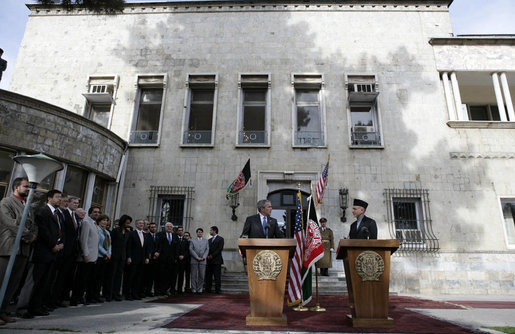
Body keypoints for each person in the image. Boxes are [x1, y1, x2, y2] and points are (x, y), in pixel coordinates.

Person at [0, 177, 37, 324]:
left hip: (23, 250)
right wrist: (28, 235)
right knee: (2, 280)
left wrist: (33, 236)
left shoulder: (29, 206)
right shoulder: (6, 203)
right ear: (16, 187)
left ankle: (3, 311)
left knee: (13, 283)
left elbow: (34, 225)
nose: (29, 189)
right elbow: (10, 223)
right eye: (26, 186)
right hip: (8, 248)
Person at [27, 189, 64, 317]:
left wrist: (60, 244)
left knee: (46, 282)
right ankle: (30, 308)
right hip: (43, 252)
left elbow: (60, 230)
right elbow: (43, 231)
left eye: (61, 197)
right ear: (49, 198)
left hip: (54, 253)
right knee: (38, 281)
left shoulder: (58, 214)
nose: (60, 199)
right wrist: (53, 245)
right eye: (57, 197)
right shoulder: (43, 212)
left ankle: (40, 305)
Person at [70, 206, 100, 306]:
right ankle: (75, 298)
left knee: (87, 279)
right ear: (90, 213)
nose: (97, 214)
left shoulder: (94, 224)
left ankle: (81, 297)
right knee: (80, 279)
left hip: (93, 256)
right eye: (95, 212)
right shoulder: (86, 222)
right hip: (85, 257)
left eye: (98, 212)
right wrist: (85, 254)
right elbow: (83, 240)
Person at [106, 214, 131, 301]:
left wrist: (128, 257)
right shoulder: (116, 231)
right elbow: (110, 243)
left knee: (119, 276)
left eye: (129, 223)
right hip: (114, 255)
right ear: (123, 222)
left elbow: (128, 246)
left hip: (122, 256)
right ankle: (109, 294)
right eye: (127, 223)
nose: (128, 224)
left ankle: (116, 294)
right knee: (111, 275)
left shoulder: (128, 233)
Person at [125, 219, 150, 300]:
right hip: (133, 259)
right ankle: (128, 294)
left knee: (139, 277)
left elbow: (146, 248)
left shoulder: (145, 234)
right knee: (131, 277)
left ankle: (136, 293)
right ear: (136, 225)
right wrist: (129, 257)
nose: (141, 224)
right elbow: (129, 246)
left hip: (142, 259)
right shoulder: (132, 234)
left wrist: (147, 257)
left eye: (142, 223)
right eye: (139, 223)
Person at [154, 222, 178, 296]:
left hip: (171, 260)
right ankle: (158, 290)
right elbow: (157, 245)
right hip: (162, 259)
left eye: (171, 226)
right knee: (160, 275)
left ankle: (165, 290)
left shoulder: (174, 235)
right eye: (168, 226)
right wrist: (157, 252)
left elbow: (176, 247)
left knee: (168, 276)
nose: (169, 228)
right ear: (165, 227)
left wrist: (175, 257)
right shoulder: (160, 234)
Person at [92, 214, 111, 303]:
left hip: (105, 257)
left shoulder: (107, 232)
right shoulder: (97, 230)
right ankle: (91, 296)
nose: (105, 222)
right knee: (94, 277)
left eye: (106, 220)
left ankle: (97, 295)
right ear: (99, 221)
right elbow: (97, 244)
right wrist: (105, 253)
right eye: (103, 220)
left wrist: (109, 253)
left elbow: (110, 244)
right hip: (98, 256)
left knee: (100, 278)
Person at [205, 226, 224, 294]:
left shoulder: (220, 239)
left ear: (214, 231)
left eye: (211, 230)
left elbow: (219, 249)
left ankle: (217, 290)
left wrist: (212, 256)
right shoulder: (209, 240)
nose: (210, 232)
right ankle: (208, 289)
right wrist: (207, 256)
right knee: (208, 276)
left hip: (216, 260)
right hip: (209, 261)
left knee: (217, 276)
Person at [189, 228, 208, 294]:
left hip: (203, 260)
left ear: (202, 233)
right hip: (194, 260)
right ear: (196, 233)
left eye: (201, 232)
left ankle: (200, 288)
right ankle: (194, 288)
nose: (199, 233)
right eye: (198, 232)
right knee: (194, 275)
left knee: (202, 275)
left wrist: (203, 257)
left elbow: (207, 250)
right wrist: (197, 257)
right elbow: (191, 249)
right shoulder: (192, 241)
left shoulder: (206, 241)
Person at [175, 226, 189, 294]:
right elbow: (173, 249)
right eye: (179, 230)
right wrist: (178, 256)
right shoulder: (174, 239)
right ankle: (173, 289)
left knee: (181, 276)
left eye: (181, 230)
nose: (180, 231)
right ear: (177, 231)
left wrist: (183, 256)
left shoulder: (185, 240)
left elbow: (187, 250)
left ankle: (180, 289)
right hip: (176, 260)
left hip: (183, 260)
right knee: (174, 275)